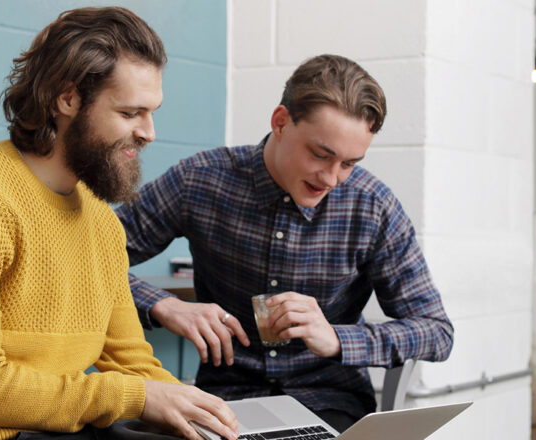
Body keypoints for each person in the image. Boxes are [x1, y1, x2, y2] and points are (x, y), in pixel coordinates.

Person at [0, 7, 238, 440]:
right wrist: (138, 397)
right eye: (130, 113)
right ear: (68, 98)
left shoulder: (101, 221)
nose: (149, 132)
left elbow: (133, 364)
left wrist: (207, 417)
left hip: (58, 430)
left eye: (151, 113)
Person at [116, 54, 454, 432]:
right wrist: (163, 305)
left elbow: (436, 332)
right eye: (320, 154)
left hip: (330, 403)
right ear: (280, 122)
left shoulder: (372, 206)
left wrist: (337, 338)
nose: (331, 178)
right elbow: (88, 257)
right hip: (223, 403)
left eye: (349, 164)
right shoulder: (200, 180)